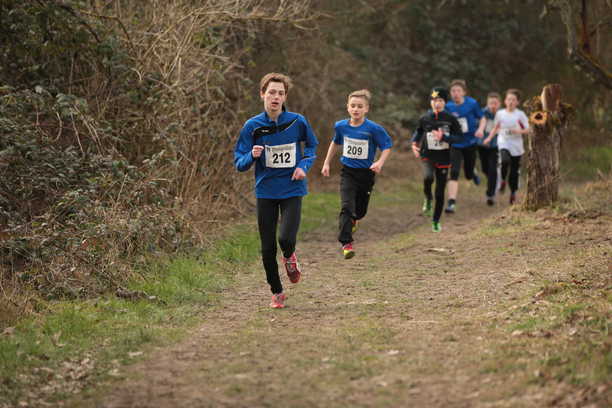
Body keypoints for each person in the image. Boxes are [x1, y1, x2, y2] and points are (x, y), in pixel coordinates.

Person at [234, 73, 318, 309]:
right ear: (262, 94)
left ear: (285, 97)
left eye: (280, 93)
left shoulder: (297, 121)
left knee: (286, 239)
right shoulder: (252, 126)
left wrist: (303, 166)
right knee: (267, 248)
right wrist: (251, 156)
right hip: (266, 192)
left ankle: (290, 257)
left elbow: (312, 146)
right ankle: (277, 291)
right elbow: (239, 162)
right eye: (271, 92)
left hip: (292, 188)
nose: (276, 97)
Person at [321, 89, 392, 259]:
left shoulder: (374, 129)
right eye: (353, 106)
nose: (356, 109)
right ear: (347, 107)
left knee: (360, 212)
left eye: (360, 106)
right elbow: (335, 142)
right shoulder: (341, 126)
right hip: (348, 172)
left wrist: (379, 162)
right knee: (346, 206)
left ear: (366, 109)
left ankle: (354, 220)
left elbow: (387, 146)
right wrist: (326, 163)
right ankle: (346, 243)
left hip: (366, 174)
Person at [411, 87, 463, 232]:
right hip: (427, 155)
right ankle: (428, 198)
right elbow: (418, 132)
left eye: (440, 100)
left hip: (444, 158)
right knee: (427, 178)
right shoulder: (425, 118)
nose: (436, 103)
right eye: (434, 100)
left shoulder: (450, 119)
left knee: (440, 192)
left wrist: (444, 137)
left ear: (445, 102)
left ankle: (436, 220)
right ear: (430, 102)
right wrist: (414, 144)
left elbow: (460, 137)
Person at [445, 79, 485, 213]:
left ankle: (472, 172)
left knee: (468, 174)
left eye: (458, 91)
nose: (455, 93)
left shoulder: (472, 103)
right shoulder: (448, 107)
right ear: (450, 93)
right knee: (454, 172)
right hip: (455, 143)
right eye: (453, 91)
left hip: (470, 142)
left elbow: (482, 118)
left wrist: (480, 129)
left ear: (464, 93)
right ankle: (451, 202)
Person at [486, 88, 529, 205]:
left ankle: (513, 192)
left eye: (513, 100)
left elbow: (528, 129)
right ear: (505, 101)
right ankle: (503, 181)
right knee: (504, 161)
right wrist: (489, 138)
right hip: (503, 141)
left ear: (517, 102)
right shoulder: (500, 114)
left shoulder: (520, 115)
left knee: (514, 172)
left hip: (516, 145)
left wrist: (518, 131)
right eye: (509, 99)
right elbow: (495, 128)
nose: (510, 102)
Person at [477, 92, 502, 206]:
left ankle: (490, 195)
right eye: (491, 103)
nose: (493, 106)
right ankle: (494, 179)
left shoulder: (502, 115)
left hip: (496, 145)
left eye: (495, 103)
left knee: (492, 169)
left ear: (499, 104)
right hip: (482, 144)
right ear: (487, 104)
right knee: (485, 169)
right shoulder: (482, 113)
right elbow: (479, 125)